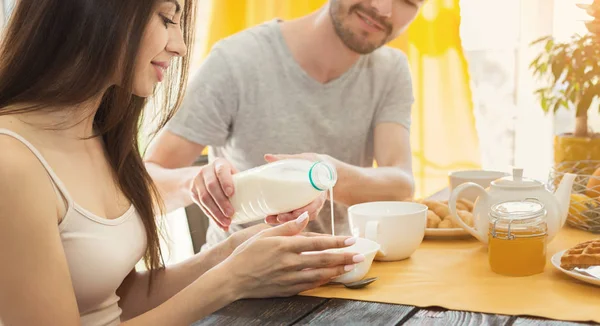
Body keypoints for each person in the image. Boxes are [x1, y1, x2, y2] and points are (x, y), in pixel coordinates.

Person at [0, 1, 363, 325]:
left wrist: (230, 254)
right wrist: (230, 280)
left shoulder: (97, 134)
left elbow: (114, 302)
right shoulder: (11, 163)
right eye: (166, 18)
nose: (180, 46)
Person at [144, 0, 424, 250]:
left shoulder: (391, 69)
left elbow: (400, 184)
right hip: (237, 282)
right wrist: (197, 183)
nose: (384, 8)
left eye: (409, 1)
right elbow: (147, 182)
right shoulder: (236, 61)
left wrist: (327, 176)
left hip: (341, 270)